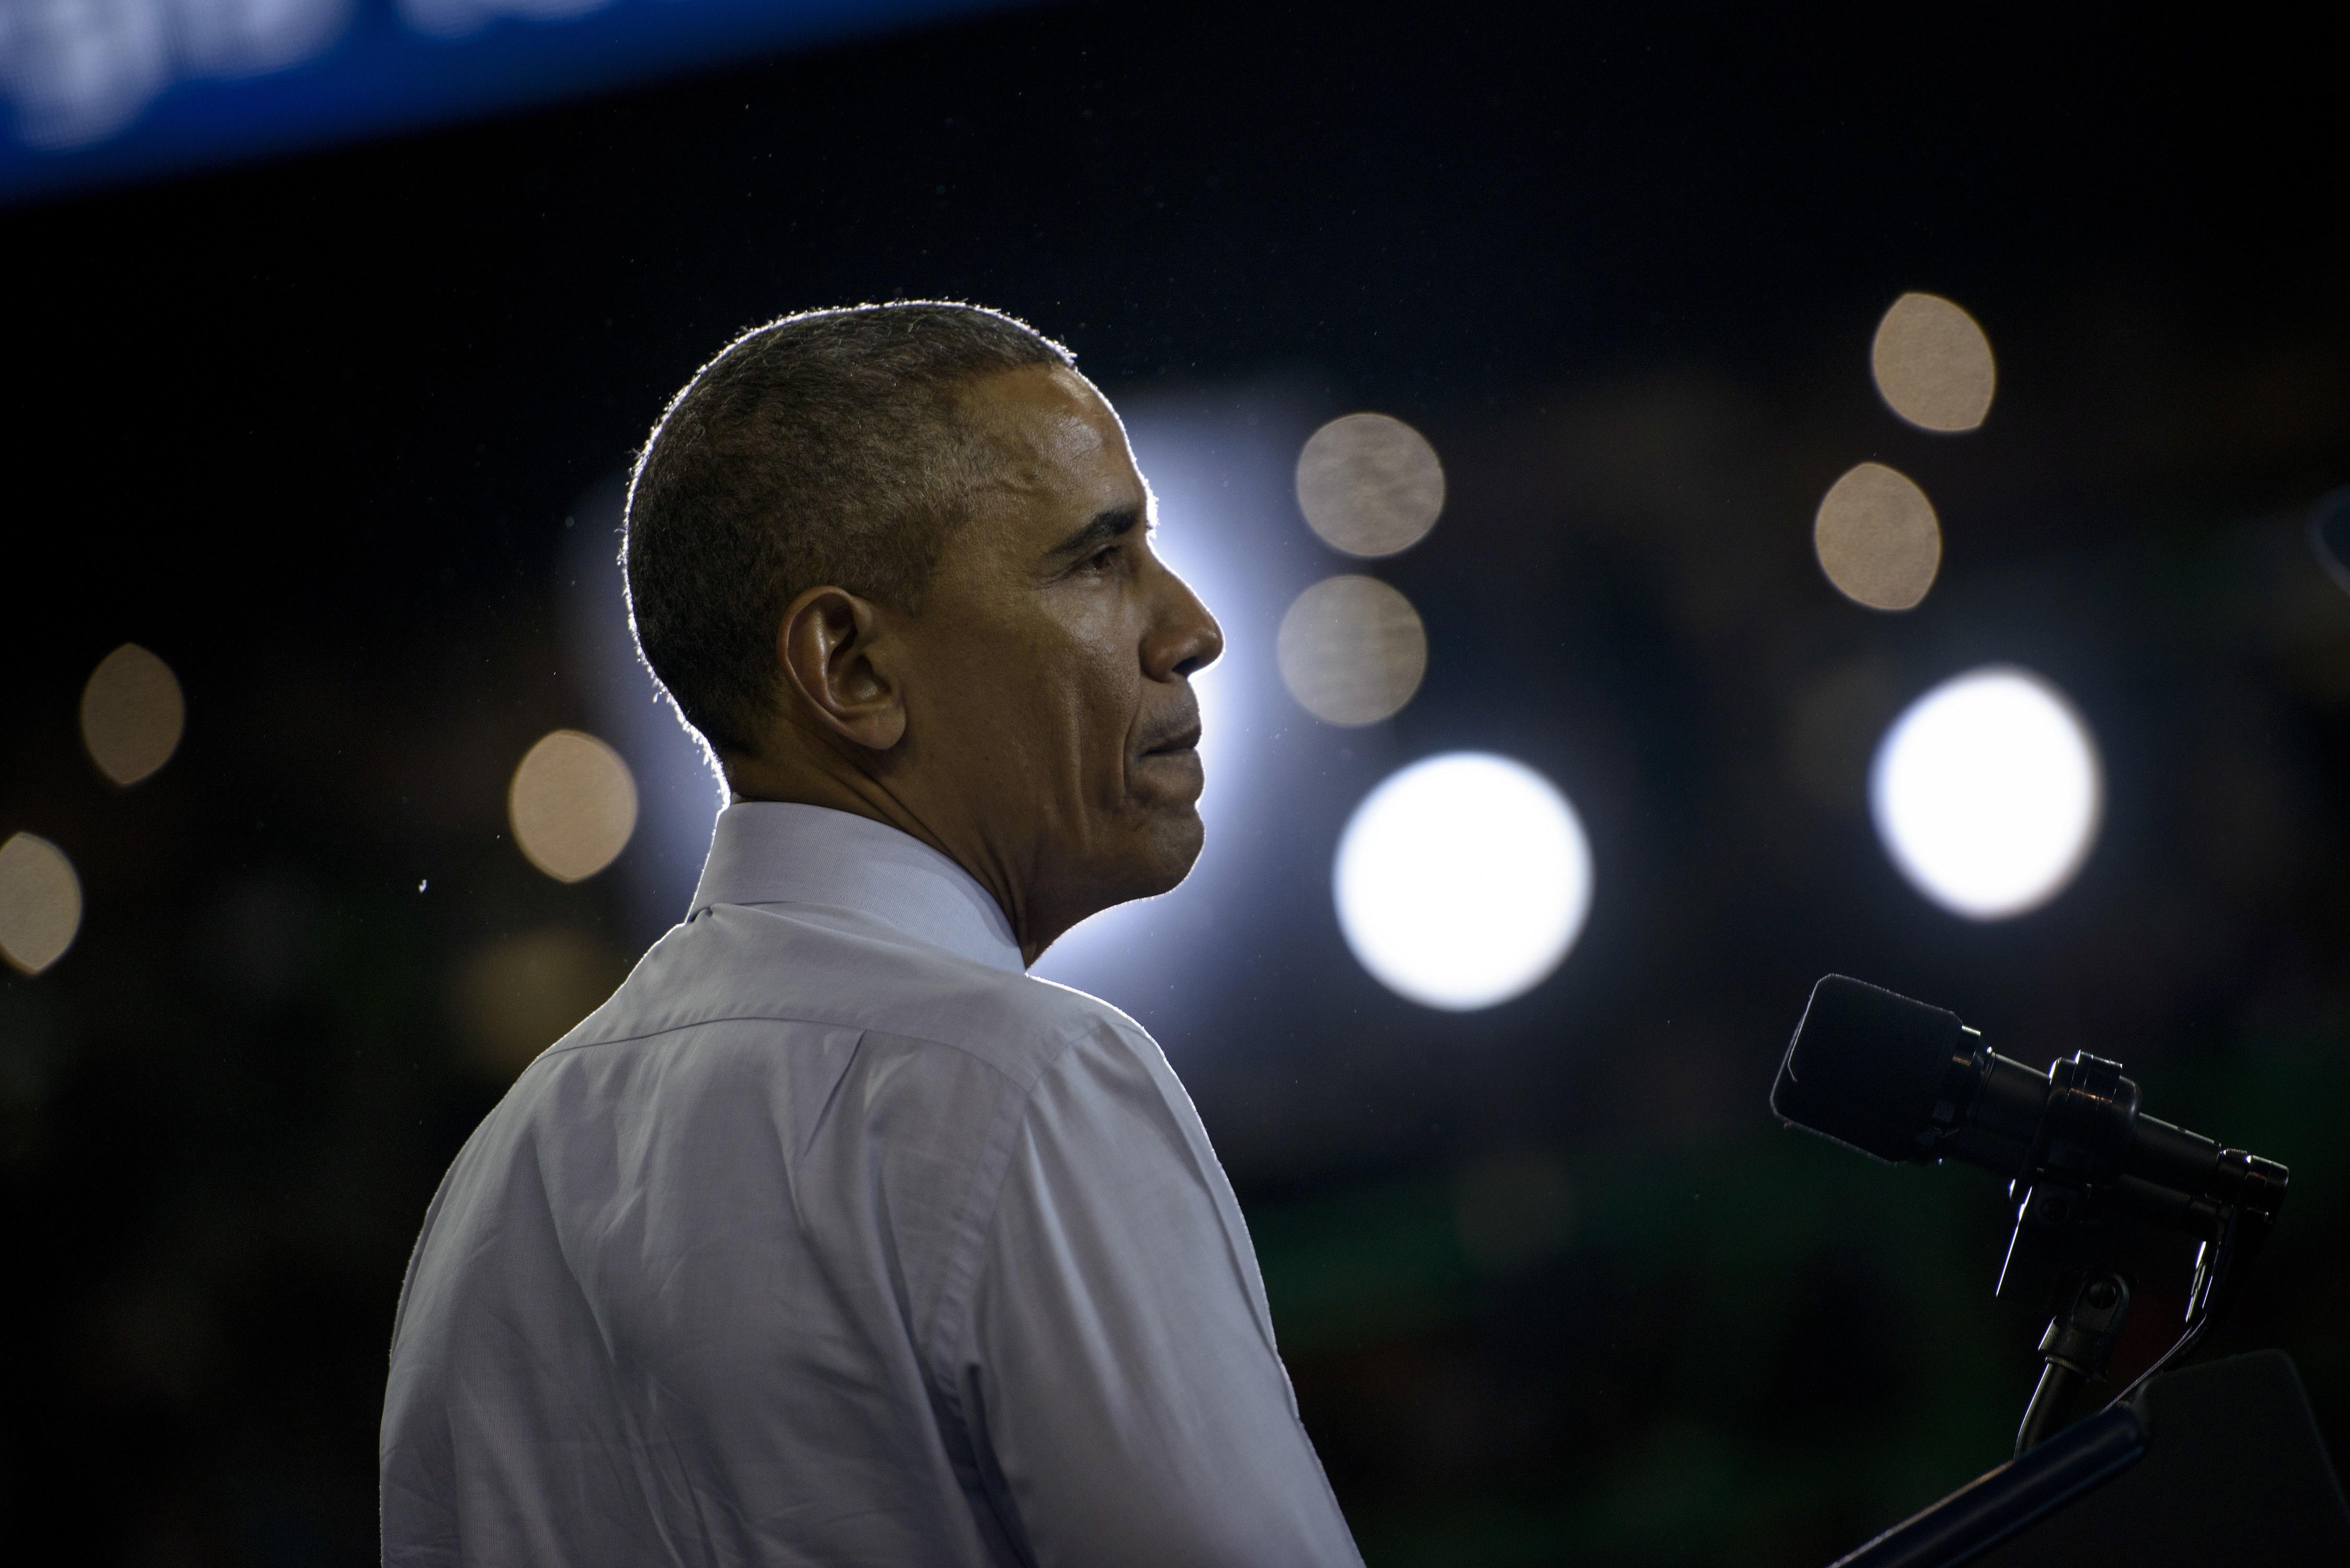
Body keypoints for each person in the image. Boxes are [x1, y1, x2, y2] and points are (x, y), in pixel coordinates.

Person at [379, 303, 1363, 1566]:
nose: (1190, 629)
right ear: (849, 666)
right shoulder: (1026, 1085)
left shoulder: (489, 1195)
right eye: (1096, 559)